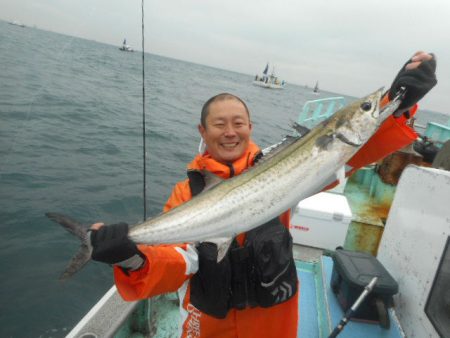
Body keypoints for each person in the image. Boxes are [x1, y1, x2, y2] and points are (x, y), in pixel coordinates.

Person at [89, 51, 437, 338]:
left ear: (250, 127)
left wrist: (399, 103)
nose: (230, 132)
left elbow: (350, 155)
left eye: (238, 123)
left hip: (275, 321)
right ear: (202, 130)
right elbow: (179, 260)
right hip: (212, 323)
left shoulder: (277, 163)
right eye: (219, 124)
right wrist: (131, 257)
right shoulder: (187, 192)